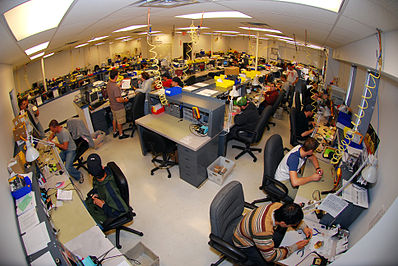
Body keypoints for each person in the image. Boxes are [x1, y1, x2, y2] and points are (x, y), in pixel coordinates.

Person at [233, 202, 312, 265]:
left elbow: (291, 214)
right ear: (283, 223)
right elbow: (271, 257)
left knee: (281, 238)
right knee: (268, 263)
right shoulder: (263, 232)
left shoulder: (277, 206)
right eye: (292, 225)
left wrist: (304, 227)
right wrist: (295, 247)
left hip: (250, 228)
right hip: (244, 243)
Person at [85, 153, 128, 226]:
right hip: (102, 199)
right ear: (102, 167)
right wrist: (96, 193)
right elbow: (96, 185)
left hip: (109, 210)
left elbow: (123, 211)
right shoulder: (105, 172)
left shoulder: (110, 190)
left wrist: (102, 205)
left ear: (90, 175)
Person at [106, 69, 129, 139]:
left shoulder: (109, 83)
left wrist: (119, 85)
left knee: (114, 119)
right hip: (118, 107)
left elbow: (114, 88)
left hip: (112, 106)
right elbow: (118, 99)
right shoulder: (115, 87)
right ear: (116, 76)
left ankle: (114, 132)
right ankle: (121, 134)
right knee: (120, 121)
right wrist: (125, 100)